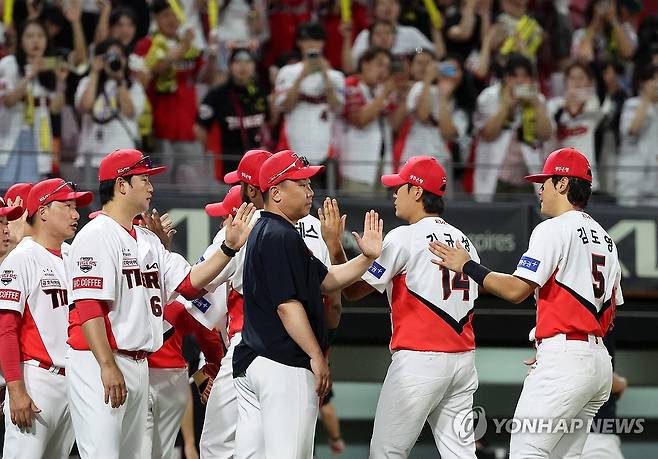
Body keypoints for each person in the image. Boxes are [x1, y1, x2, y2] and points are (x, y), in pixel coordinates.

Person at [430, 147, 622, 458]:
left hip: (566, 360)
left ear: (562, 184)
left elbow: (516, 290)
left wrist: (468, 266)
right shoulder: (607, 238)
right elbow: (610, 311)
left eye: (545, 182)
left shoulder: (553, 228)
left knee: (525, 451)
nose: (540, 189)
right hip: (598, 362)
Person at [65, 148, 255, 458]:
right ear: (121, 185)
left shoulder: (148, 240)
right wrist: (106, 364)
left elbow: (190, 284)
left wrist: (228, 248)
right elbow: (88, 308)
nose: (151, 187)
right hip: (100, 359)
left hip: (139, 362)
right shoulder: (96, 235)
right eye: (144, 179)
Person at [232, 149, 383, 458]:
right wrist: (316, 355)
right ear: (275, 192)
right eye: (300, 183)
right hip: (282, 364)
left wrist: (367, 257)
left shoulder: (269, 229)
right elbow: (287, 306)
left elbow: (327, 280)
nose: (310, 190)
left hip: (255, 361)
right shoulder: (280, 235)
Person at [197, 150, 341, 458]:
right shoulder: (313, 228)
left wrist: (207, 364)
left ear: (255, 189)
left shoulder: (245, 228)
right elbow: (333, 300)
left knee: (220, 446)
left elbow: (194, 288)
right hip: (299, 349)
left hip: (253, 343)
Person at [342, 156, 480, 458]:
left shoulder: (404, 236)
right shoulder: (465, 240)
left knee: (386, 452)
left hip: (420, 359)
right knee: (461, 454)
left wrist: (334, 246)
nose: (394, 193)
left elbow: (351, 291)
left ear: (417, 192)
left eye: (400, 187)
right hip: (463, 360)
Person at [0, 178, 93, 458]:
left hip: (74, 381)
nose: (76, 215)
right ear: (42, 212)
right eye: (67, 206)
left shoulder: (75, 255)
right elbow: (6, 329)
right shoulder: (21, 258)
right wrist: (16, 390)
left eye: (76, 207)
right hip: (37, 380)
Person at [134, 0, 212, 187]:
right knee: (157, 186)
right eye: (165, 15)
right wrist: (180, 50)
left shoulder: (189, 47)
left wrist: (213, 56)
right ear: (156, 19)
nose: (171, 20)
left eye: (174, 15)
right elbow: (153, 71)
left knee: (191, 185)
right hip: (159, 128)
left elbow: (204, 77)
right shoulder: (147, 45)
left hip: (187, 127)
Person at [473, 53, 552, 202]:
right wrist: (506, 108)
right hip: (496, 178)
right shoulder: (489, 96)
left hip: (527, 178)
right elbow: (487, 134)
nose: (520, 81)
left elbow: (545, 134)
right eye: (514, 76)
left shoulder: (538, 99)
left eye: (525, 76)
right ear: (505, 78)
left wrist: (536, 105)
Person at [0, 19, 69, 187]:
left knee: (33, 191)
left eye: (40, 36)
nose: (35, 41)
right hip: (12, 134)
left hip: (39, 135)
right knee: (6, 190)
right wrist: (31, 74)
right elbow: (8, 100)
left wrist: (60, 82)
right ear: (21, 40)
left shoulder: (50, 69)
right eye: (30, 36)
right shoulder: (8, 64)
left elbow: (56, 108)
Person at [275, 22, 345, 170]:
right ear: (299, 42)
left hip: (325, 144)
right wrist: (302, 76)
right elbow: (285, 106)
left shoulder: (336, 76)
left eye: (316, 39)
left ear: (323, 43)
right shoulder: (287, 72)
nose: (312, 44)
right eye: (307, 40)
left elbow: (338, 108)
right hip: (294, 141)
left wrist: (325, 75)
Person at [75, 38, 146, 183]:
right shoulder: (87, 82)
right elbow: (85, 107)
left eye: (118, 56)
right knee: (93, 204)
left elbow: (129, 111)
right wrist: (94, 73)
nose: (113, 60)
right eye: (108, 56)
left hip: (124, 157)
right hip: (92, 156)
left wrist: (120, 79)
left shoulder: (133, 86)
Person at [195, 48, 270, 176]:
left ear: (254, 66)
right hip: (228, 165)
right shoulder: (217, 94)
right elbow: (199, 127)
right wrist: (212, 154)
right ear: (229, 66)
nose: (243, 66)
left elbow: (269, 121)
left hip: (258, 164)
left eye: (248, 62)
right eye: (238, 62)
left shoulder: (261, 91)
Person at [341, 47, 398, 193]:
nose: (384, 71)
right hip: (356, 167)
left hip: (382, 165)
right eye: (379, 65)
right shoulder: (350, 85)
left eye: (387, 67)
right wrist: (385, 93)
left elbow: (395, 123)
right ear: (365, 64)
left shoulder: (381, 90)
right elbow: (360, 120)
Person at [547, 60, 605, 192]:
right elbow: (548, 133)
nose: (576, 82)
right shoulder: (554, 105)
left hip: (586, 181)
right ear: (565, 82)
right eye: (572, 78)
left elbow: (602, 93)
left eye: (581, 78)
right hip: (558, 179)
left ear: (590, 83)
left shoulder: (593, 106)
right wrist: (565, 107)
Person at [616, 63, 658, 206]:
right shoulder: (632, 104)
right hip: (632, 178)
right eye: (652, 79)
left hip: (654, 179)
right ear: (642, 83)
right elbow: (632, 130)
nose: (656, 84)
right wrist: (646, 98)